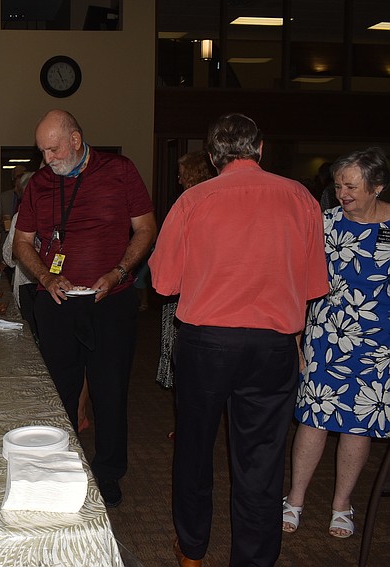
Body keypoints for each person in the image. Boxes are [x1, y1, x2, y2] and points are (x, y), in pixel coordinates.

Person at [149, 113, 328, 567]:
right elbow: (312, 285)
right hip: (273, 346)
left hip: (207, 344)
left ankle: (192, 549)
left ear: (212, 157)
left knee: (194, 449)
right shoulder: (300, 198)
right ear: (260, 148)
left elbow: (164, 283)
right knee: (261, 463)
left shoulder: (193, 201)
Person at [13, 109, 157, 507]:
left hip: (111, 302)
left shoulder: (120, 170)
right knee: (58, 393)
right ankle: (57, 468)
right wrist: (45, 277)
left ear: (76, 140)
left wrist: (118, 272)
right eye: (42, 151)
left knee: (110, 394)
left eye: (53, 149)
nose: (47, 160)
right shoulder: (40, 184)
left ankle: (108, 474)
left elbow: (146, 227)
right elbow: (21, 242)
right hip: (57, 303)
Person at [282, 147, 390, 540]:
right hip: (327, 335)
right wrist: (295, 337)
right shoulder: (324, 223)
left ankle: (342, 504)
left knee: (359, 423)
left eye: (352, 186)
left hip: (381, 342)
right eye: (339, 184)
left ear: (377, 187)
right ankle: (294, 498)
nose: (342, 192)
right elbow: (298, 285)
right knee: (314, 419)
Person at [156, 150, 215, 389]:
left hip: (186, 294)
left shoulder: (190, 203)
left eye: (181, 174)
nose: (178, 179)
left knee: (187, 361)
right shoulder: (207, 201)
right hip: (195, 293)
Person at [1, 171, 38, 335]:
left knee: (28, 333)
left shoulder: (21, 216)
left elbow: (8, 257)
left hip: (28, 285)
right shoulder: (56, 213)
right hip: (49, 285)